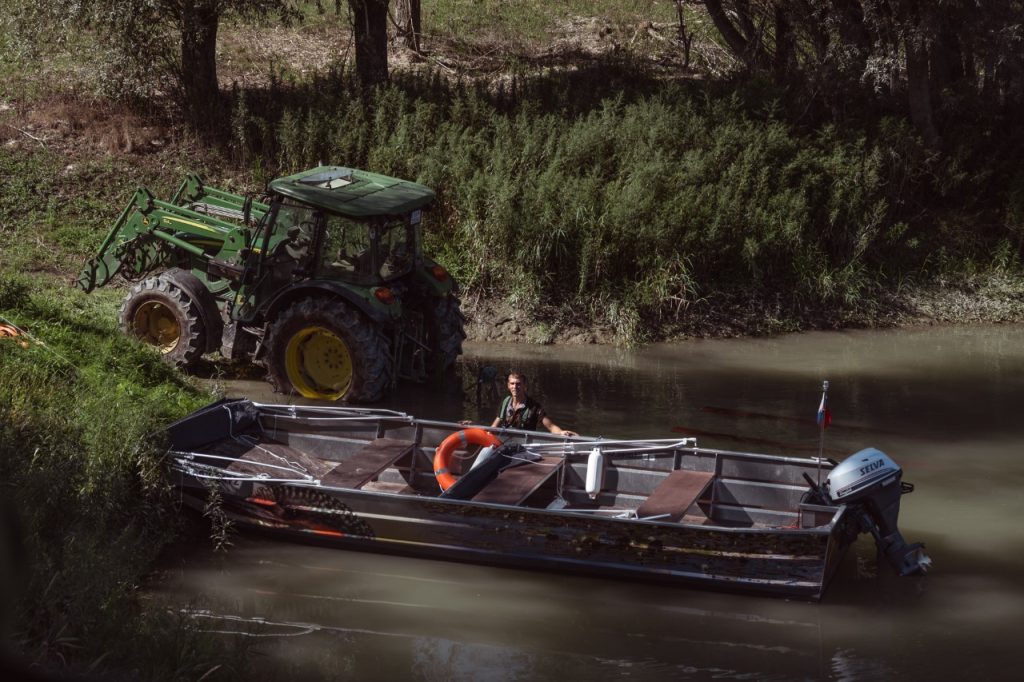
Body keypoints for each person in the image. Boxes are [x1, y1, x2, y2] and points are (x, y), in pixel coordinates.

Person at [489, 370, 577, 436]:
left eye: (518, 384)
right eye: (512, 384)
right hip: (504, 441)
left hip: (524, 444)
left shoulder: (534, 407)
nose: (515, 387)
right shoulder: (506, 401)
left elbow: (550, 426)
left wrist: (561, 432)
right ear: (508, 385)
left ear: (524, 385)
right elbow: (495, 425)